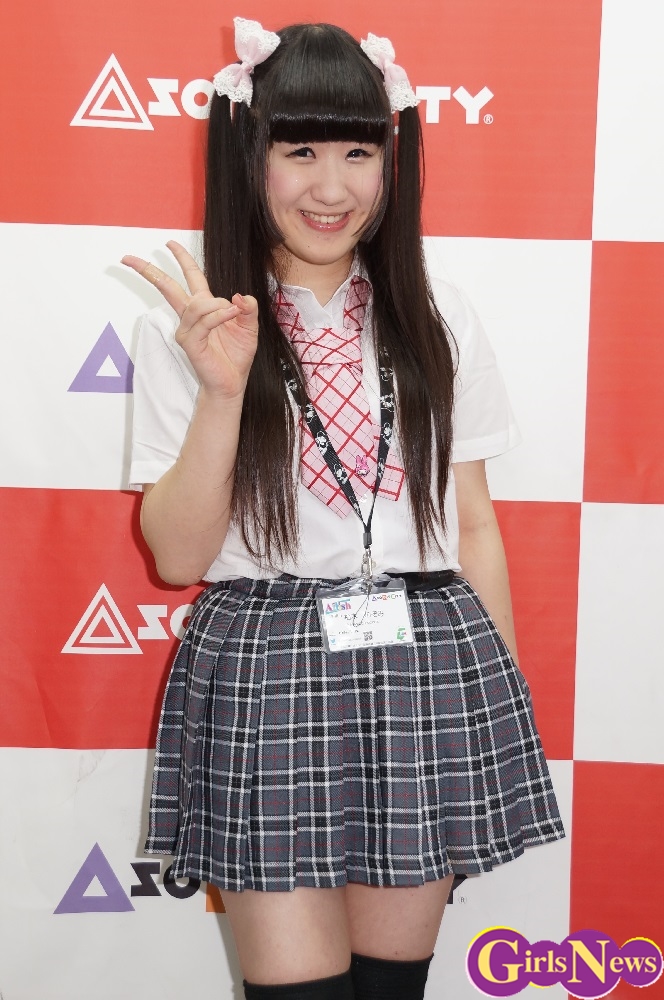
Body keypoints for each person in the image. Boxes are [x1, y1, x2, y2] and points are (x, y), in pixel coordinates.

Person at [123, 18, 565, 1000]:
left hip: (426, 659)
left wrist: (497, 698)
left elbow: (473, 523)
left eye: (359, 153)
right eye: (301, 151)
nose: (332, 187)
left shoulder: (439, 312)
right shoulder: (187, 330)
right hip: (268, 663)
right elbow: (178, 557)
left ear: (391, 163)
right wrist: (224, 391)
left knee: (389, 990)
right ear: (249, 155)